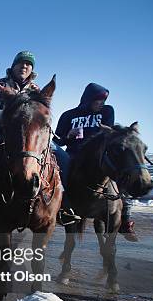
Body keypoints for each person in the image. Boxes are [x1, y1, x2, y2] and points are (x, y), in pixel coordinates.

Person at [0, 50, 76, 223]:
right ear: (13, 66)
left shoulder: (36, 90)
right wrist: (8, 115)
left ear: (31, 70)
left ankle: (65, 206)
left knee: (64, 159)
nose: (24, 66)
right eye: (21, 63)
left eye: (28, 64)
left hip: (32, 140)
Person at [55, 83, 138, 241]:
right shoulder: (68, 115)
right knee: (59, 173)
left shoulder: (107, 111)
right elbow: (56, 141)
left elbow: (108, 134)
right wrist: (68, 136)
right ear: (88, 99)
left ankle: (125, 219)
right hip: (74, 155)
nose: (101, 103)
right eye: (97, 100)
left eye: (104, 100)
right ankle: (60, 209)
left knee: (123, 171)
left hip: (98, 156)